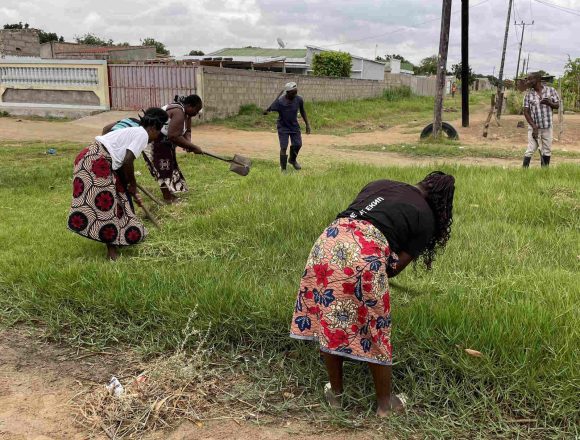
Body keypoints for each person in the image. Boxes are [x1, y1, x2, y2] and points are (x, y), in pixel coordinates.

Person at [290, 171, 455, 417]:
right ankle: (385, 405)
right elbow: (395, 268)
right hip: (365, 257)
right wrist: (373, 268)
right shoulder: (427, 216)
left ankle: (336, 396)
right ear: (443, 202)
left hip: (326, 243)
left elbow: (359, 221)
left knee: (329, 319)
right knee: (375, 328)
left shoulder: (380, 184)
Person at [67, 108, 169, 260]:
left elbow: (121, 161)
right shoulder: (142, 134)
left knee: (120, 198)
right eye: (157, 134)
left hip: (93, 158)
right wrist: (133, 185)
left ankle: (126, 235)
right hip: (95, 161)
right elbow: (128, 160)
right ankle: (111, 252)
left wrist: (129, 186)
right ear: (153, 128)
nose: (155, 139)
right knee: (106, 204)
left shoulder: (134, 130)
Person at [145, 95, 204, 203]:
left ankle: (170, 195)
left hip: (165, 143)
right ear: (190, 106)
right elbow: (173, 136)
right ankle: (167, 198)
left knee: (170, 167)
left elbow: (187, 131)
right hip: (154, 141)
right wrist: (194, 147)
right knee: (162, 169)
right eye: (197, 109)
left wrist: (188, 144)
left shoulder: (187, 115)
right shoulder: (178, 112)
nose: (197, 113)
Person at [263, 82, 311, 172]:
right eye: (293, 93)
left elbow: (303, 111)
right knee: (284, 147)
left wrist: (307, 124)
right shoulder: (280, 102)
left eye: (296, 92)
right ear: (287, 92)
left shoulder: (299, 99)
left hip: (294, 126)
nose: (295, 94)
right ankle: (283, 169)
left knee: (298, 144)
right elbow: (269, 110)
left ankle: (292, 160)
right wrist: (266, 111)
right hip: (283, 127)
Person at [522, 72, 560, 168]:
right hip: (534, 127)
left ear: (537, 80)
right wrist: (534, 127)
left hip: (547, 126)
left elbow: (557, 105)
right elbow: (526, 112)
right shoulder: (528, 95)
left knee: (547, 149)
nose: (528, 81)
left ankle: (544, 171)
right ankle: (524, 171)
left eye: (530, 79)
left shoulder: (551, 91)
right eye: (527, 79)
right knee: (531, 148)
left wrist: (550, 103)